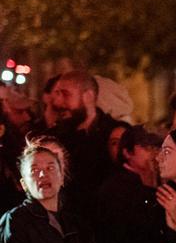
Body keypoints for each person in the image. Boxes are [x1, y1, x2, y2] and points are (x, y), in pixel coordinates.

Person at [47, 70, 121, 217]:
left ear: (88, 96)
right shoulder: (55, 137)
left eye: (66, 94)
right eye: (57, 94)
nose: (58, 102)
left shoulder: (114, 133)